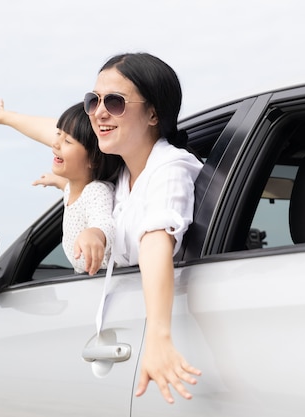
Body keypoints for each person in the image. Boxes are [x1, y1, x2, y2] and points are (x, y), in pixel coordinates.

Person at [80, 52, 204, 403]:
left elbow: (154, 242)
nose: (99, 112)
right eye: (93, 101)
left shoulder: (170, 168)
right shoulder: (120, 177)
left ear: (153, 113)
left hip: (160, 351)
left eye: (115, 102)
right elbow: (61, 138)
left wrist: (159, 336)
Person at [0, 95, 123, 275]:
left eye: (67, 141)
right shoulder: (75, 188)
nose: (55, 143)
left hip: (103, 281)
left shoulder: (96, 191)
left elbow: (103, 220)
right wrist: (57, 181)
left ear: (94, 160)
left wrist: (96, 234)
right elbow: (70, 189)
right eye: (58, 134)